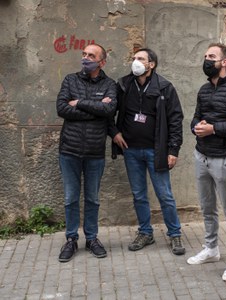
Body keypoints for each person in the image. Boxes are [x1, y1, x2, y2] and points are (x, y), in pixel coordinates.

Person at [109, 48, 185, 256]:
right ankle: (145, 232)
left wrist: (173, 150)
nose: (135, 62)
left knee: (165, 194)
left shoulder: (164, 87)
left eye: (140, 59)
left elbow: (176, 120)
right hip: (131, 150)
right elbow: (108, 111)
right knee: (138, 194)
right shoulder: (123, 85)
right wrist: (114, 132)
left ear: (151, 64)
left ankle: (175, 233)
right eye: (133, 58)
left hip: (156, 151)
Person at [187, 43, 226, 281]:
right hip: (201, 155)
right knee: (207, 207)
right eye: (205, 56)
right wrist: (196, 127)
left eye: (211, 57)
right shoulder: (204, 89)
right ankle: (211, 249)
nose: (206, 60)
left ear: (224, 62)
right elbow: (195, 116)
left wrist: (213, 129)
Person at [56, 43, 117, 262]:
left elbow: (109, 110)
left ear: (102, 62)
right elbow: (62, 108)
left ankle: (92, 238)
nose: (85, 58)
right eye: (83, 54)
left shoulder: (110, 84)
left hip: (94, 152)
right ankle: (71, 240)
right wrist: (95, 108)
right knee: (71, 198)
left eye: (91, 55)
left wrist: (79, 103)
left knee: (92, 198)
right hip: (69, 151)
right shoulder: (70, 80)